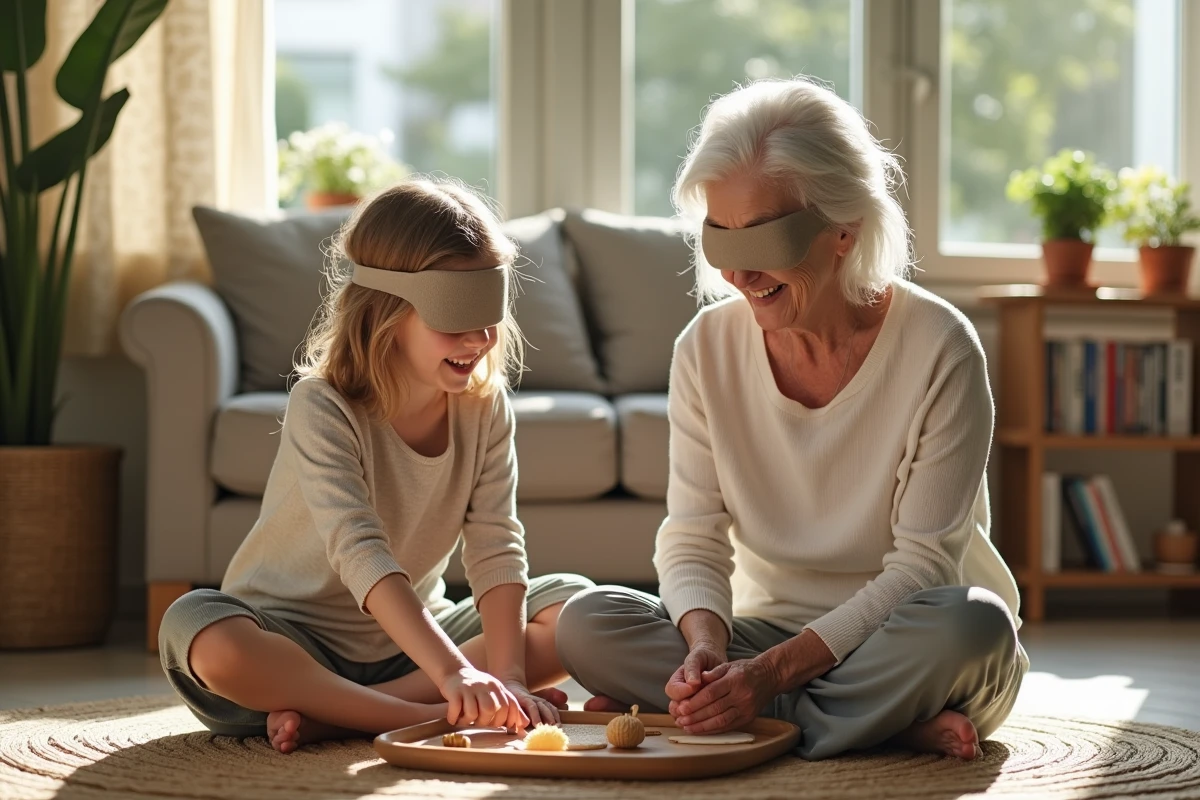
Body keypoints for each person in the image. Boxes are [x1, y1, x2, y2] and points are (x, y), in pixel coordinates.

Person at [556, 78, 1026, 761]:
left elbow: (921, 569)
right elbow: (691, 538)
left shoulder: (940, 348)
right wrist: (709, 652)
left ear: (845, 229)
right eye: (721, 239)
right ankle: (870, 726)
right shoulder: (705, 348)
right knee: (587, 624)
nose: (740, 275)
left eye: (765, 240)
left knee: (973, 626)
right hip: (760, 631)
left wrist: (769, 679)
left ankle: (763, 718)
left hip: (907, 640)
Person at [159, 179, 593, 753]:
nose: (480, 339)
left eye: (489, 315)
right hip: (293, 639)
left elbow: (496, 542)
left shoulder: (484, 408)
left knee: (580, 613)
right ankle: (427, 710)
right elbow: (360, 550)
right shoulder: (322, 405)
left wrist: (508, 676)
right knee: (202, 631)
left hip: (413, 641)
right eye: (455, 318)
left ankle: (340, 716)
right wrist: (455, 674)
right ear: (387, 312)